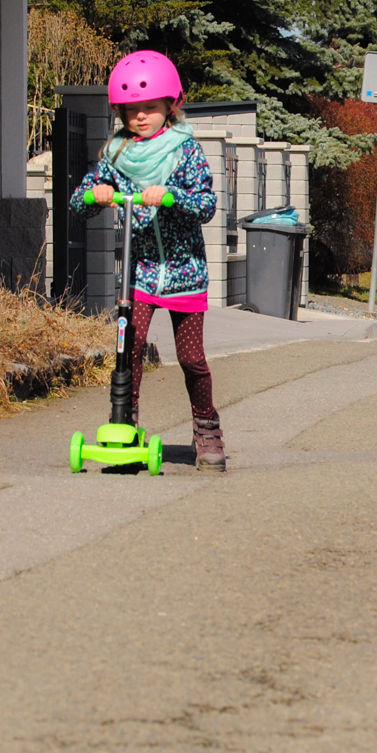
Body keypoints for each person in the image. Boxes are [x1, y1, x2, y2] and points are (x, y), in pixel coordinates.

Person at [69, 50, 225, 471]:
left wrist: (173, 198)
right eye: (131, 110)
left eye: (149, 108)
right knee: (129, 350)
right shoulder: (116, 155)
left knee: (191, 358)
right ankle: (125, 424)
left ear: (170, 106)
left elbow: (207, 205)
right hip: (137, 276)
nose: (140, 117)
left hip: (184, 272)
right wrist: (94, 194)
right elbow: (76, 202)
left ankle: (207, 428)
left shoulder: (186, 152)